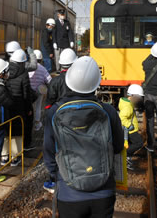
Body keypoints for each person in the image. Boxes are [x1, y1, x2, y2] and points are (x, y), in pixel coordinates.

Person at [43, 56, 124, 217]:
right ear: (96, 84)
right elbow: (118, 147)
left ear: (69, 80)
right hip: (104, 191)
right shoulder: (109, 111)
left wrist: (56, 175)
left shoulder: (53, 112)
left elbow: (49, 151)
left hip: (69, 192)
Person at [4, 49, 35, 157]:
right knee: (19, 130)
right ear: (22, 62)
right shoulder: (23, 74)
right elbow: (26, 95)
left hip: (7, 106)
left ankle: (5, 156)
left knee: (7, 130)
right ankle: (17, 155)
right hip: (20, 107)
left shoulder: (5, 70)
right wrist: (29, 109)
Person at [118, 84, 144, 170]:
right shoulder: (128, 107)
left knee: (129, 145)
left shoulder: (127, 103)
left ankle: (127, 160)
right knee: (139, 142)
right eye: (139, 98)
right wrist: (130, 125)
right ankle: (126, 155)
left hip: (128, 130)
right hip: (130, 130)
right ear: (133, 96)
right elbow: (122, 118)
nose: (139, 100)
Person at [29, 50, 52, 131]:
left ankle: (29, 123)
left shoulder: (28, 67)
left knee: (30, 107)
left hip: (29, 92)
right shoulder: (43, 69)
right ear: (41, 59)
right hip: (39, 91)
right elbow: (49, 80)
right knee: (38, 107)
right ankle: (37, 124)